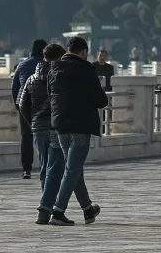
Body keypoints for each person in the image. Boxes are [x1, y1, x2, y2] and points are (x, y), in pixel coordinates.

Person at [20, 44, 100, 223]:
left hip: (38, 129)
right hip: (58, 127)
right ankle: (47, 210)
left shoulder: (32, 78)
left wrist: (33, 123)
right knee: (58, 169)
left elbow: (22, 103)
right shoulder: (60, 74)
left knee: (51, 170)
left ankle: (87, 208)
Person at [39, 36, 108, 226]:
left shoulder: (54, 69)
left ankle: (87, 209)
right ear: (84, 52)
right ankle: (58, 212)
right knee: (72, 168)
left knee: (74, 168)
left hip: (60, 125)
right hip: (80, 125)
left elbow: (50, 95)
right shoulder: (86, 69)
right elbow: (102, 100)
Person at [11, 38, 46, 180]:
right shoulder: (47, 64)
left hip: (24, 104)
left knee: (26, 136)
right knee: (45, 135)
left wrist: (17, 104)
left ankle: (27, 169)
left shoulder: (22, 65)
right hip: (43, 104)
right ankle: (45, 165)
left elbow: (15, 88)